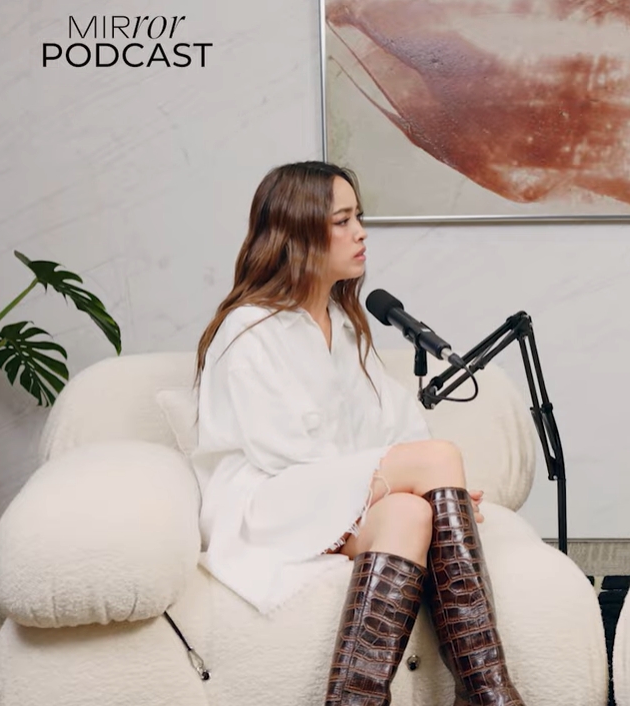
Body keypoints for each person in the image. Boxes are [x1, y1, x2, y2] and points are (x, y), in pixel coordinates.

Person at [190, 161, 527, 705]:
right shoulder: (248, 326)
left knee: (413, 512)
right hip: (266, 504)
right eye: (342, 221)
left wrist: (433, 492)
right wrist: (414, 475)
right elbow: (281, 452)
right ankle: (492, 694)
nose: (361, 232)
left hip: (327, 501)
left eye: (358, 217)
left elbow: (396, 425)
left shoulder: (345, 326)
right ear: (298, 232)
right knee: (435, 462)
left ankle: (357, 699)